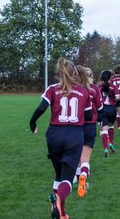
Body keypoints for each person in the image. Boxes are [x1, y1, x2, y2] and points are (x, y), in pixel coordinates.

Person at [29, 58, 92, 219]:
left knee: (59, 175)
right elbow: (89, 116)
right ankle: (57, 198)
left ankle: (61, 212)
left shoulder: (52, 89)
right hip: (73, 135)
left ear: (58, 73)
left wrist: (33, 122)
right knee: (68, 180)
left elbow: (41, 107)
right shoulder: (84, 91)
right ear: (75, 73)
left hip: (54, 135)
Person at [75, 66, 103, 198]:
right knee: (85, 157)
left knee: (75, 154)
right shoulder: (95, 88)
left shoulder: (74, 88)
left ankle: (74, 177)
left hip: (75, 125)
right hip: (90, 125)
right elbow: (100, 107)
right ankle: (83, 177)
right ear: (90, 76)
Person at [98, 70, 120, 157]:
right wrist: (114, 100)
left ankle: (105, 148)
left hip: (103, 108)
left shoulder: (98, 87)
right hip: (112, 108)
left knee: (104, 129)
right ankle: (111, 143)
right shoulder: (113, 87)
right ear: (110, 77)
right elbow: (117, 97)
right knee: (111, 126)